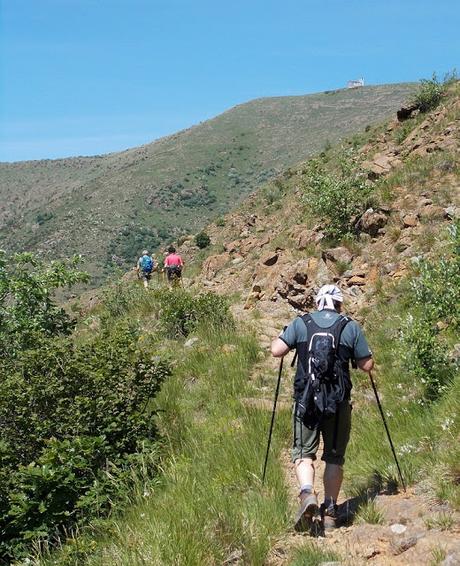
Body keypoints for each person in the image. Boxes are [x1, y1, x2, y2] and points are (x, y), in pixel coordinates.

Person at [271, 284, 374, 531]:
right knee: (334, 457)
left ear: (318, 302)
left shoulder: (302, 323)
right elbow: (366, 365)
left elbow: (276, 351)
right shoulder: (350, 326)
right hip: (337, 403)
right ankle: (330, 511)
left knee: (303, 454)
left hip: (306, 401)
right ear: (339, 304)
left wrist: (290, 335)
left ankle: (307, 494)